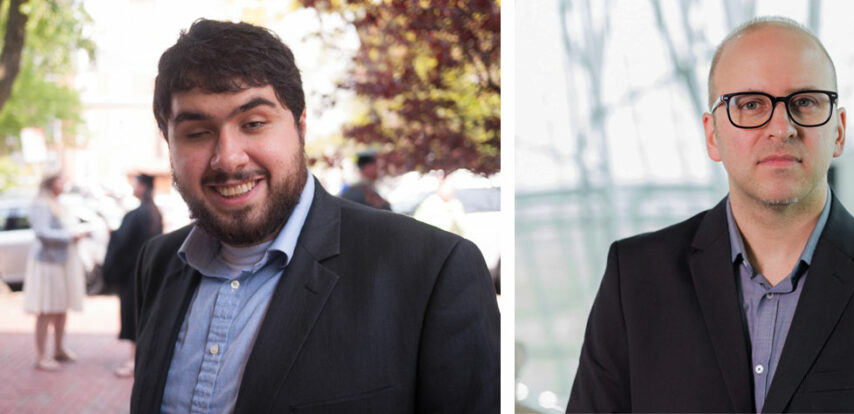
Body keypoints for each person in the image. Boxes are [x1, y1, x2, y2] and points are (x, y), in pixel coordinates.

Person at [567, 17, 854, 413]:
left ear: (837, 131)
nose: (781, 128)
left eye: (804, 102)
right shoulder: (636, 279)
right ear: (712, 135)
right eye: (750, 105)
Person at [131, 19, 499, 413]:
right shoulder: (157, 264)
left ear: (300, 125)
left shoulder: (431, 271)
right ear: (169, 143)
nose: (228, 158)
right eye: (197, 133)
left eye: (253, 124)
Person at [22, 173, 89, 371]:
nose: (63, 184)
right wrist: (70, 236)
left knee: (61, 307)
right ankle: (41, 355)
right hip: (47, 264)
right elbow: (42, 233)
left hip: (62, 262)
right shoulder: (42, 204)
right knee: (46, 308)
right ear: (50, 184)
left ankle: (59, 348)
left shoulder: (57, 203)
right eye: (59, 181)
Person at [103, 173, 163, 378]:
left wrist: (113, 235)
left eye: (136, 184)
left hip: (131, 275)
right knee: (143, 314)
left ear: (144, 187)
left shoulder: (137, 214)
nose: (133, 188)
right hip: (146, 271)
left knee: (133, 315)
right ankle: (140, 358)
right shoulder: (154, 212)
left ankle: (134, 359)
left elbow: (121, 244)